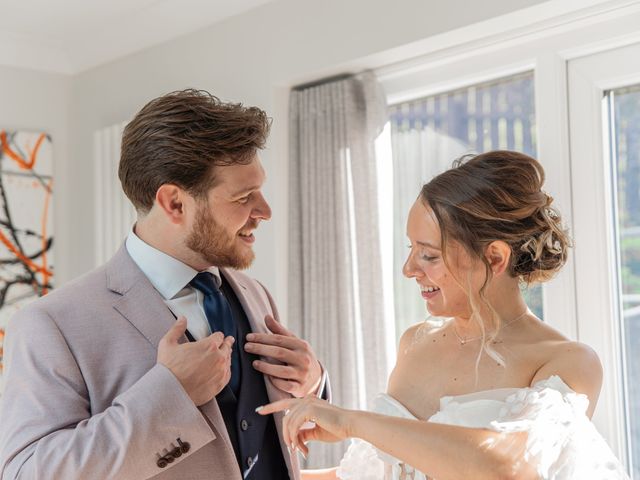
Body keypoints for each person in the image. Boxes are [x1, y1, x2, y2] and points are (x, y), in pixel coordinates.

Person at [0, 89, 328, 480]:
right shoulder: (51, 324)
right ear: (174, 203)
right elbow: (29, 472)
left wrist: (312, 382)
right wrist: (171, 395)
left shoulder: (255, 295)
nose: (265, 211)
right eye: (244, 196)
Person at [258, 150, 629, 480]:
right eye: (411, 249)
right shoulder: (415, 342)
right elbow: (376, 472)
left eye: (429, 255)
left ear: (495, 258)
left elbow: (510, 468)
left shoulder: (568, 361)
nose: (408, 268)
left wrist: (353, 422)